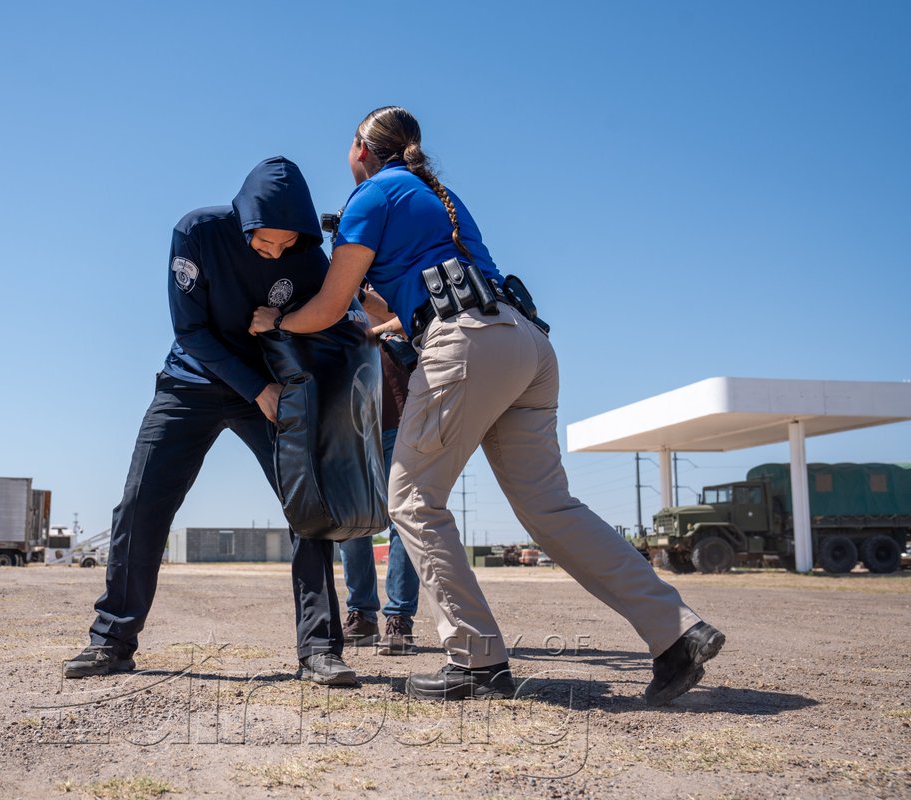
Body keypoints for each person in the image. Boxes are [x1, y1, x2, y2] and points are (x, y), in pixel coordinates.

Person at [250, 107, 725, 704]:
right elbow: (412, 296)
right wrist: (377, 309)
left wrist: (277, 321)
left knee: (412, 500)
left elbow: (327, 307)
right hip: (525, 343)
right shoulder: (438, 195)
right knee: (551, 507)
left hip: (467, 343)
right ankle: (677, 631)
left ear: (360, 149)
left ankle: (476, 659)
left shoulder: (370, 195)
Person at [64, 156, 356, 686]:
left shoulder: (309, 256)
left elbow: (324, 324)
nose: (276, 252)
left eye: (286, 244)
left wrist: (289, 350)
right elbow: (190, 331)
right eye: (265, 243)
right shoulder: (197, 231)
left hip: (271, 391)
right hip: (192, 384)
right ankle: (111, 640)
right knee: (140, 505)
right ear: (244, 219)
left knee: (308, 508)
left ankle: (319, 649)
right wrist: (258, 388)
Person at [339, 286, 420, 655]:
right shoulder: (331, 286)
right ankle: (362, 615)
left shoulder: (392, 280)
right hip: (351, 420)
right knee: (351, 520)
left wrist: (370, 320)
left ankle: (399, 619)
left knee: (404, 518)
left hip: (400, 417)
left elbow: (416, 317)